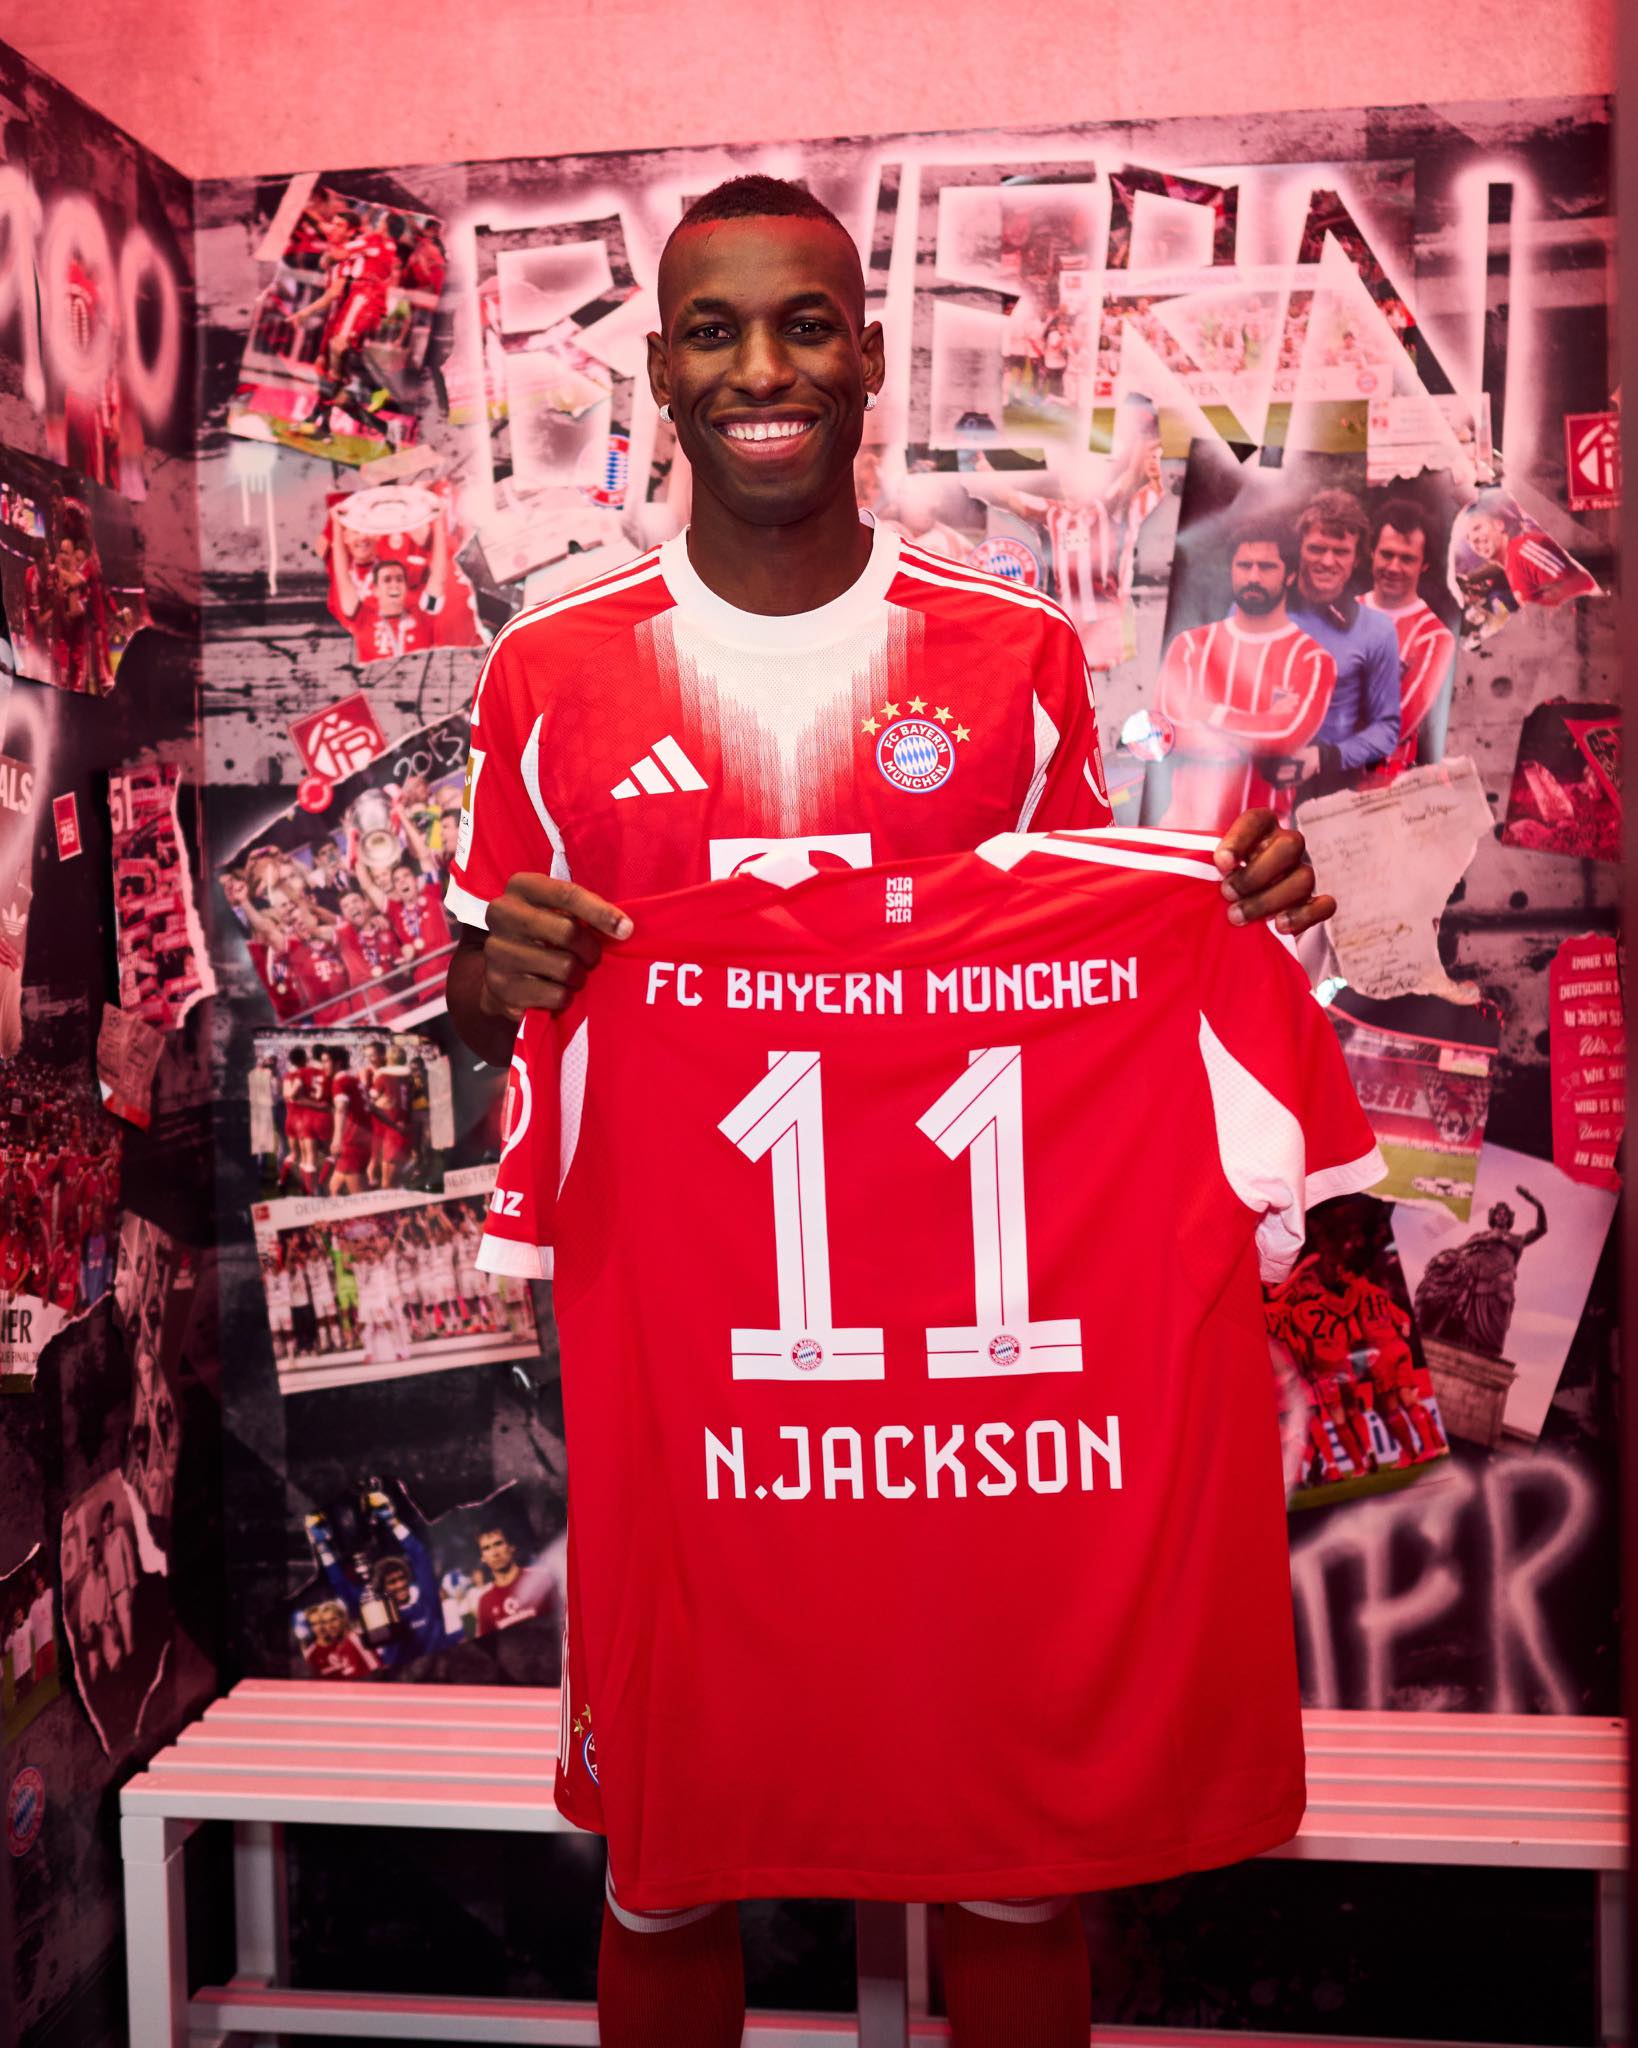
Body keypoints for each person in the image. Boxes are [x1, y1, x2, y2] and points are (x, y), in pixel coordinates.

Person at [441, 174, 1335, 2048]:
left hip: (972, 1365)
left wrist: (1233, 908)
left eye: (803, 326)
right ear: (659, 375)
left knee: (1010, 1858)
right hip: (694, 1364)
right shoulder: (547, 672)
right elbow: (478, 1003)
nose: (760, 369)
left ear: (864, 356)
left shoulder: (1010, 654)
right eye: (713, 331)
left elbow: (1090, 952)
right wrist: (498, 974)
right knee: (666, 1857)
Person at [1152, 515, 1336, 833]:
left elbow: (1285, 737)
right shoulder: (1190, 646)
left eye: (1266, 567)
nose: (1253, 576)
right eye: (1244, 566)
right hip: (1182, 830)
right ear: (1231, 570)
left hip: (1263, 841)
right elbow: (1166, 732)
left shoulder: (1312, 659)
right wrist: (1262, 728)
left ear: (1290, 575)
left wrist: (1209, 712)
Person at [1285, 487, 1402, 794]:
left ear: (1357, 558)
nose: (1327, 561)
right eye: (1316, 548)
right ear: (1299, 548)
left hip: (1328, 787)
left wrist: (1324, 757)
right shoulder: (1253, 612)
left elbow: (1386, 729)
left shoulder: (1376, 630)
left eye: (1340, 551)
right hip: (1254, 781)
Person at [1359, 499, 1455, 778]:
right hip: (1322, 780)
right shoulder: (1340, 614)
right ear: (1372, 552)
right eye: (1386, 554)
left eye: (1407, 558)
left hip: (1385, 786)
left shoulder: (1434, 637)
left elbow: (1394, 727)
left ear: (1424, 565)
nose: (1393, 567)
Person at [1413, 1186, 1548, 1358]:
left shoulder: (1517, 1239)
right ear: (1493, 1217)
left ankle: (1486, 1356)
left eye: (1505, 1214)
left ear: (1509, 1218)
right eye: (1498, 1213)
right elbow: (1460, 1251)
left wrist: (1536, 1203)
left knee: (1495, 1325)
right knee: (1462, 1321)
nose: (1501, 1216)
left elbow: (1541, 1229)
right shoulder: (1479, 1235)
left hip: (1500, 1284)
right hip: (1473, 1280)